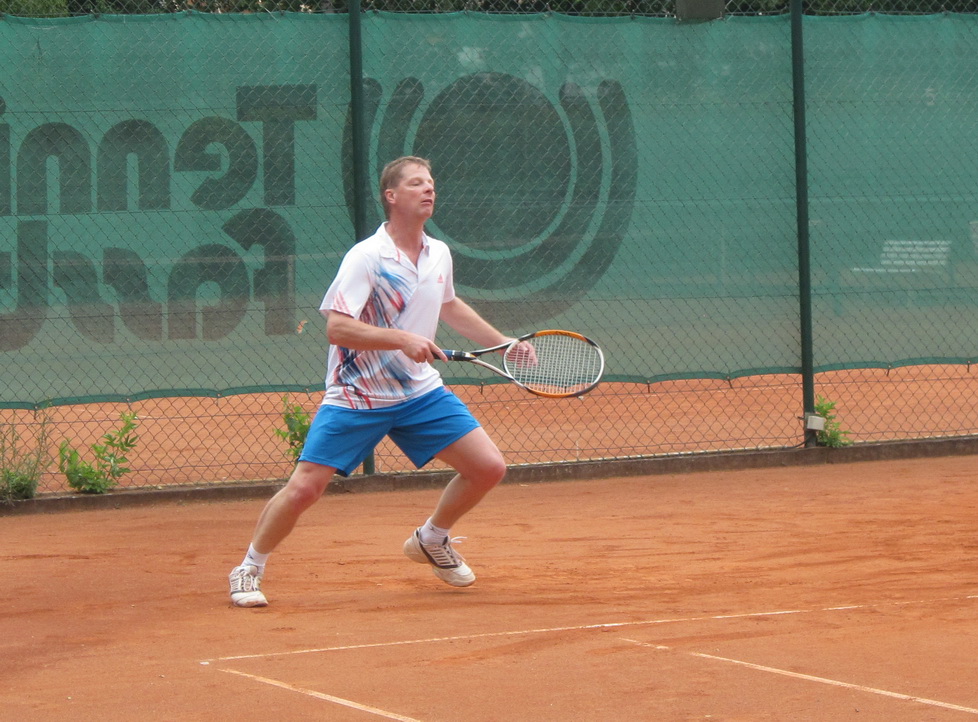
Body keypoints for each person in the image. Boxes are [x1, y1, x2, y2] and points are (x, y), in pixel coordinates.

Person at [228, 156, 524, 607]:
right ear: (391, 196)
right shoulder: (366, 257)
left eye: (431, 183)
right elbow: (337, 327)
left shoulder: (439, 253)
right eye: (417, 184)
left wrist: (501, 343)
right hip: (358, 394)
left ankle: (432, 539)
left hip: (419, 392)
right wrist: (402, 339)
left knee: (488, 467)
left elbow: (449, 305)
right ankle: (249, 567)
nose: (429, 190)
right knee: (305, 487)